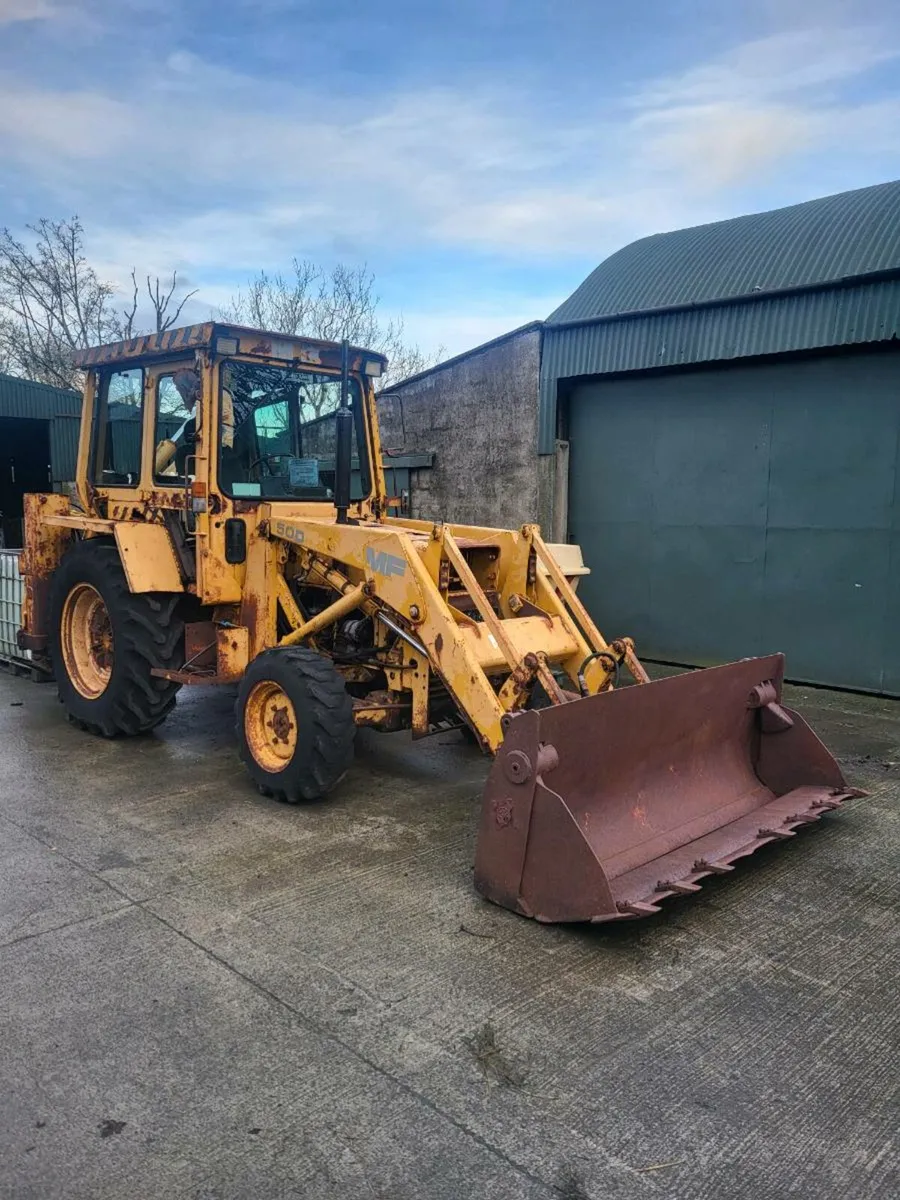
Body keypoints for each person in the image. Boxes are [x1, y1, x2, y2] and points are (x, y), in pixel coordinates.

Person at [153, 369, 235, 477]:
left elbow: (222, 415)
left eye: (182, 389)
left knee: (184, 452)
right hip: (215, 444)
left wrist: (197, 426)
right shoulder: (209, 396)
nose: (187, 394)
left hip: (222, 445)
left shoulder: (218, 393)